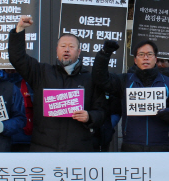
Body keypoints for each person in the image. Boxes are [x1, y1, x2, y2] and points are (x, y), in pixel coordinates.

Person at [8, 15, 107, 152]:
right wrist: (19, 30)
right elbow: (17, 58)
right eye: (63, 46)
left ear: (78, 52)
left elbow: (102, 112)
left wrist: (89, 117)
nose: (66, 49)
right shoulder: (41, 72)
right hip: (44, 148)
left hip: (78, 150)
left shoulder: (90, 79)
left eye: (71, 46)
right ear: (57, 50)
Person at [93, 40, 169, 152]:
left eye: (149, 54)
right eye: (141, 54)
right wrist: (105, 53)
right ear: (135, 60)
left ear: (155, 59)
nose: (145, 58)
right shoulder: (124, 81)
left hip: (162, 146)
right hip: (131, 145)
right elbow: (100, 79)